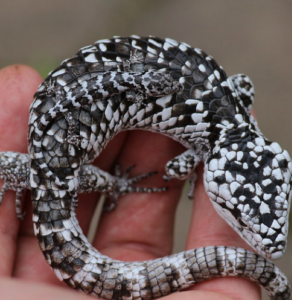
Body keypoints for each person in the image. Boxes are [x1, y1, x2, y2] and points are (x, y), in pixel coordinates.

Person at [0, 65, 261, 299]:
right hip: (64, 168)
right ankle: (119, 185)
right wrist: (116, 184)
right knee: (91, 177)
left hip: (47, 164)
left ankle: (24, 176)